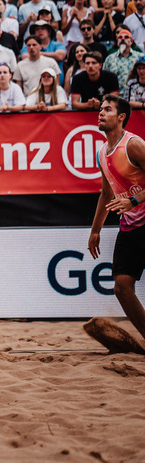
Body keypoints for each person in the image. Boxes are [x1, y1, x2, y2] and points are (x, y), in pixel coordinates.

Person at [88, 95, 145, 348]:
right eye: (100, 109)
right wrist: (95, 230)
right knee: (122, 287)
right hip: (131, 227)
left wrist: (133, 202)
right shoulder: (102, 152)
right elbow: (106, 193)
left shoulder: (133, 145)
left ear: (121, 117)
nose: (101, 112)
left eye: (107, 109)